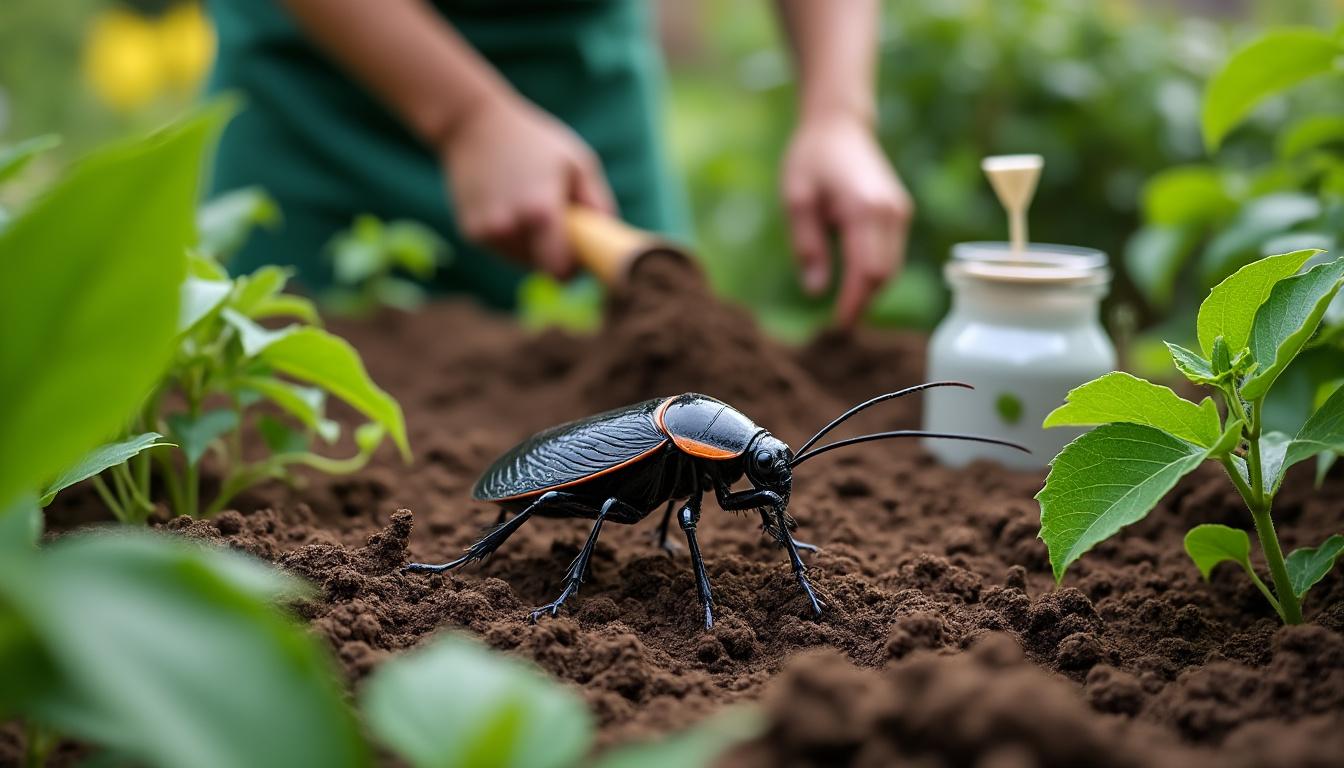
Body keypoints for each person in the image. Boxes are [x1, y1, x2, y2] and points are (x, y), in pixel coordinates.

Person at [207, 0, 911, 327]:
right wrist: (467, 116)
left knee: (670, 353)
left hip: (581, 87)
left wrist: (837, 115)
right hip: (324, 99)